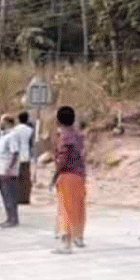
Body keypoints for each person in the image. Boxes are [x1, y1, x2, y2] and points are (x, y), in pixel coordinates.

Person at [51, 106, 87, 254]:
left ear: (58, 120)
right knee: (78, 207)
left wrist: (55, 176)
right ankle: (79, 236)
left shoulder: (65, 137)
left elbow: (63, 159)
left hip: (67, 175)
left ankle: (66, 242)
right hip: (80, 175)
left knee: (65, 208)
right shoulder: (79, 136)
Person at [0, 115, 21, 228]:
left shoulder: (12, 136)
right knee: (5, 195)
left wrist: (9, 169)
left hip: (8, 171)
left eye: (2, 122)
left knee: (10, 195)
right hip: (0, 170)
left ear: (8, 123)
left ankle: (13, 219)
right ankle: (9, 217)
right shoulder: (3, 135)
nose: (0, 124)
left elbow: (15, 153)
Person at [12, 112, 35, 204]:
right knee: (26, 178)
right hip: (26, 156)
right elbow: (31, 144)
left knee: (17, 178)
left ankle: (17, 197)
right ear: (27, 119)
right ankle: (25, 198)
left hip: (17, 156)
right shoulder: (30, 130)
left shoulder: (14, 130)